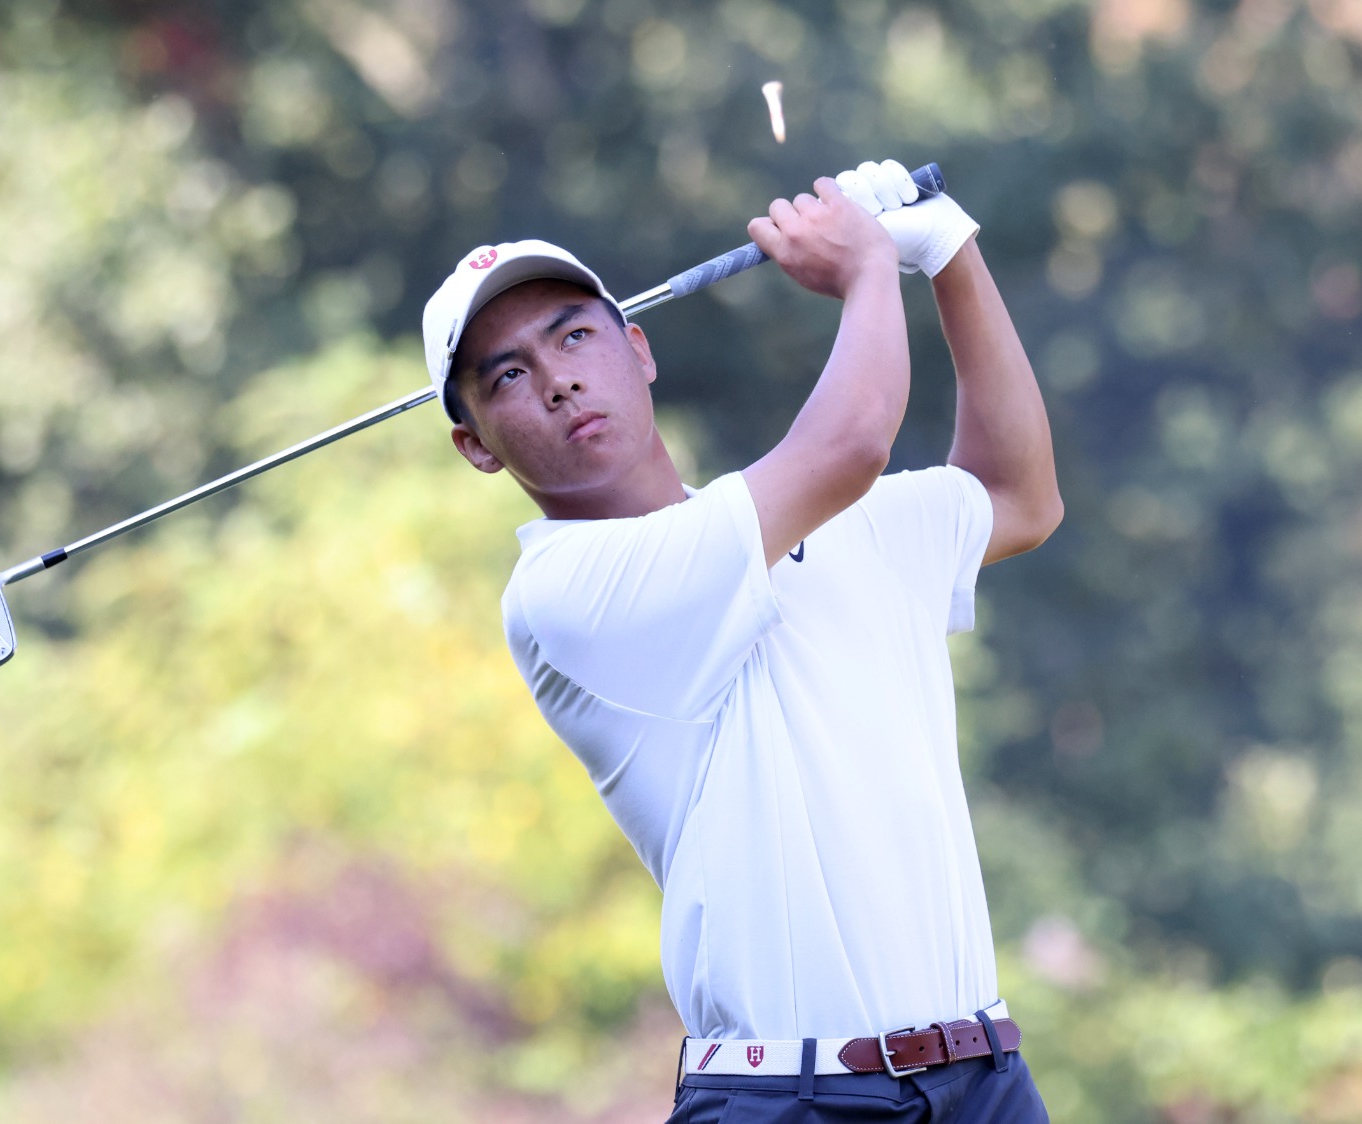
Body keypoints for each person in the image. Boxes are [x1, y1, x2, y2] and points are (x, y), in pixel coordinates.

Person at [420, 159, 1061, 1122]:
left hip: (984, 1079)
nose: (559, 382)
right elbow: (847, 447)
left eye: (575, 336)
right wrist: (869, 270)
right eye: (507, 376)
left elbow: (1020, 496)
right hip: (785, 1099)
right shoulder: (559, 594)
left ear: (637, 349)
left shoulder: (845, 523)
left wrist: (952, 253)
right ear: (476, 443)